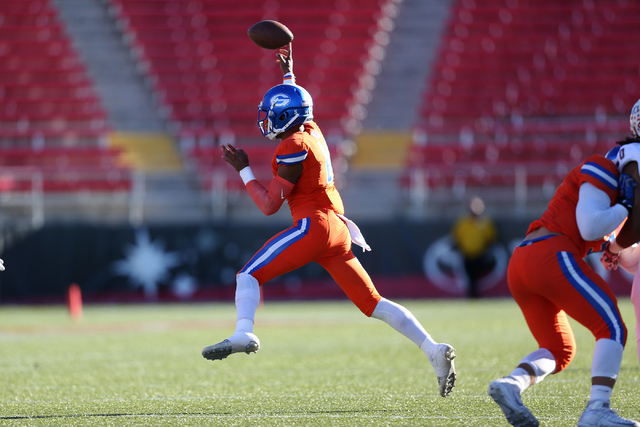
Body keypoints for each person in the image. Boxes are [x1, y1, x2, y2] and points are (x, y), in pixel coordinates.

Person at [200, 44, 457, 397]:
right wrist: (289, 74)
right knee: (373, 303)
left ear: (285, 116)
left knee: (248, 275)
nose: (266, 119)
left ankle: (244, 332)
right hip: (338, 227)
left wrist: (243, 169)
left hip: (314, 226)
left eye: (272, 114)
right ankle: (433, 349)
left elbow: (269, 205)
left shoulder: (292, 145)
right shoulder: (312, 130)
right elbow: (301, 106)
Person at [488, 100, 640, 427]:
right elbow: (590, 227)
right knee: (612, 327)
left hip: (525, 261)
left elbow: (616, 243)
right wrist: (627, 208)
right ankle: (597, 409)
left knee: (560, 349)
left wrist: (616, 243)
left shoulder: (611, 194)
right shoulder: (603, 168)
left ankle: (512, 384)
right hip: (551, 254)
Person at [599, 99, 640, 369]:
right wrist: (618, 248)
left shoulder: (629, 153)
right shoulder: (631, 153)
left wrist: (613, 248)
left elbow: (636, 222)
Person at [451, 196, 498, 298]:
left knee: (477, 277)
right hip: (466, 254)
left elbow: (490, 237)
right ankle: (471, 295)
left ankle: (475, 295)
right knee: (469, 276)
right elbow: (457, 236)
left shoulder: (485, 222)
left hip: (480, 254)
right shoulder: (463, 221)